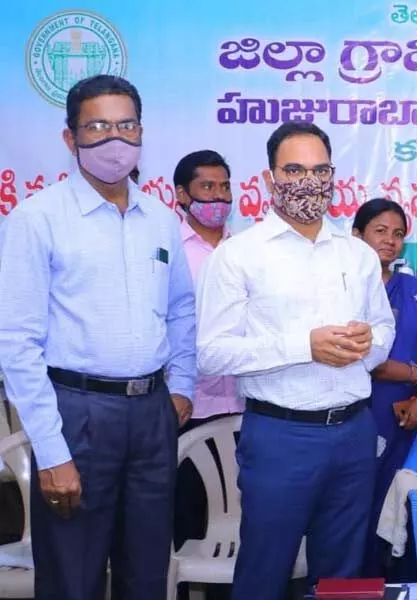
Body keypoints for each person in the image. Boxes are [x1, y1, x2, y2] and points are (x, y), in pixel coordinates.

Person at [0, 75, 197, 600]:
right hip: (77, 416)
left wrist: (181, 388)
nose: (116, 138)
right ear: (71, 138)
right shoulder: (36, 219)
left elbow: (181, 310)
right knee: (73, 579)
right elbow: (16, 343)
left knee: (147, 573)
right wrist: (51, 451)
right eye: (99, 126)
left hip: (152, 415)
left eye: (127, 125)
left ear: (142, 133)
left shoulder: (159, 218)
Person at [196, 121, 395, 599]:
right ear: (269, 180)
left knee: (343, 577)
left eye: (320, 170)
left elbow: (385, 332)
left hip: (353, 432)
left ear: (333, 175)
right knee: (266, 570)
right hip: (280, 437)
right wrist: (303, 347)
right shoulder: (239, 255)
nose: (309, 181)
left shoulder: (358, 254)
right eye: (294, 170)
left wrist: (369, 343)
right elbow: (212, 352)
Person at [352, 198, 417, 579]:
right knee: (359, 516)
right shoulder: (344, 290)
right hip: (361, 420)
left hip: (414, 421)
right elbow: (363, 357)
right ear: (357, 235)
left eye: (398, 233)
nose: (390, 241)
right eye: (380, 231)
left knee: (412, 510)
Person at [171, 149, 240, 600]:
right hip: (188, 409)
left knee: (241, 529)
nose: (218, 197)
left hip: (245, 407)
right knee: (191, 526)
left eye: (224, 187)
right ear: (182, 195)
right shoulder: (168, 251)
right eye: (207, 188)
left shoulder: (246, 250)